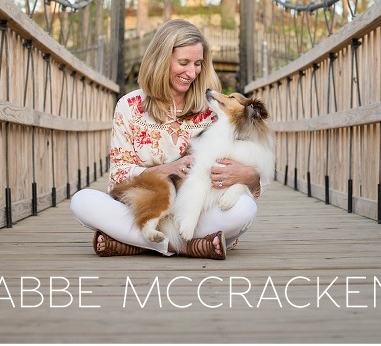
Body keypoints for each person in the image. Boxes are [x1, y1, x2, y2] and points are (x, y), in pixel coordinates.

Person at [70, 19, 263, 260]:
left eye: (198, 64)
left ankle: (132, 243)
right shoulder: (129, 106)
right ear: (161, 59)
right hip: (148, 208)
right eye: (183, 63)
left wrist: (251, 177)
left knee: (244, 210)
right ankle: (188, 247)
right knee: (82, 201)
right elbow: (118, 178)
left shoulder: (213, 109)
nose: (192, 73)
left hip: (196, 214)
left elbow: (246, 167)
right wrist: (165, 169)